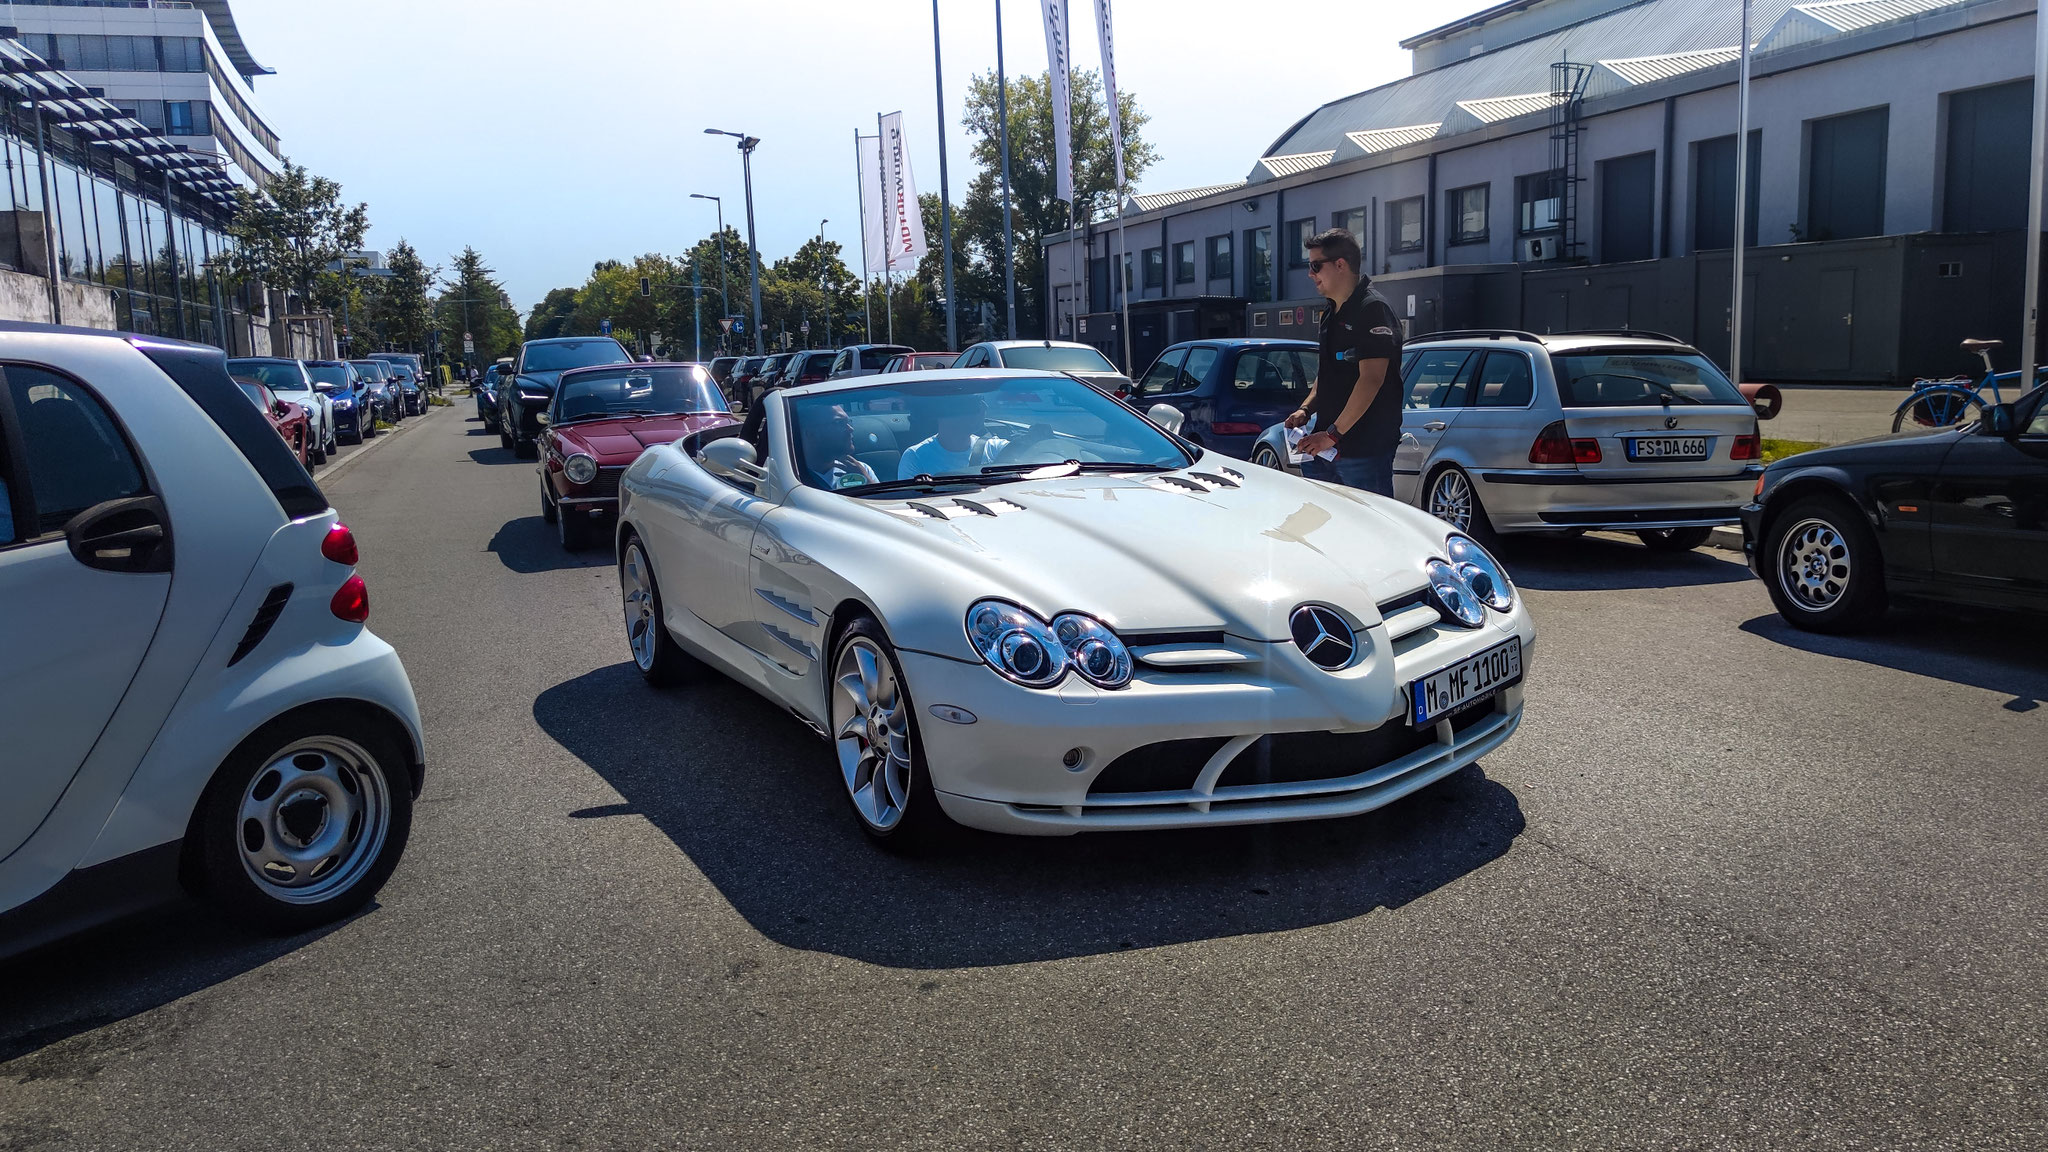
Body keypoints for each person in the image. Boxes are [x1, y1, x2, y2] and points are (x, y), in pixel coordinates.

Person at [1285, 228, 1405, 495]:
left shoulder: (1372, 309)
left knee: (1368, 531)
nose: (1310, 274)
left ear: (1340, 265)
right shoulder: (1330, 311)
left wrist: (1332, 435)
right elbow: (1326, 372)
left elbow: (1371, 379)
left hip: (1363, 452)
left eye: (1316, 266)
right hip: (1324, 449)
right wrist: (1305, 409)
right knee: (1322, 531)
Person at [896, 393, 1010, 478]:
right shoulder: (915, 457)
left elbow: (1024, 453)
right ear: (945, 413)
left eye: (982, 401)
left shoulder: (995, 448)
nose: (984, 408)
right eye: (974, 404)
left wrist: (1028, 439)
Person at [801, 404, 880, 490]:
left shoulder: (861, 470)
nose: (850, 429)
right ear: (811, 434)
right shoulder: (792, 479)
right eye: (839, 422)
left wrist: (868, 482)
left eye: (848, 422)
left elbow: (881, 503)